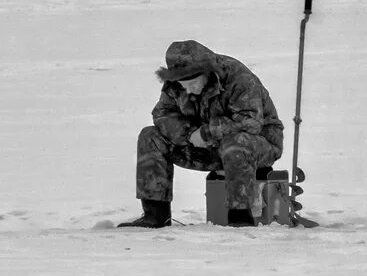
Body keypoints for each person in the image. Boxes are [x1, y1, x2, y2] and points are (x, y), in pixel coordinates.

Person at [119, 40, 283, 229]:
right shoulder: (176, 85)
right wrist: (189, 135)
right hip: (206, 148)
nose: (189, 89)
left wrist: (207, 133)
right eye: (184, 84)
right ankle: (155, 215)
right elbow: (162, 114)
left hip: (258, 146)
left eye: (193, 83)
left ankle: (240, 218)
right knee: (150, 136)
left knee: (236, 142)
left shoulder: (239, 78)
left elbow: (250, 122)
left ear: (207, 73)